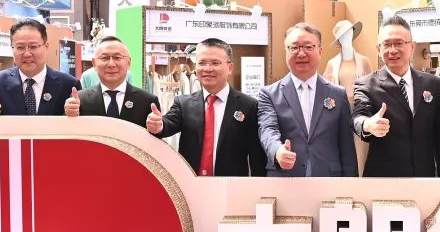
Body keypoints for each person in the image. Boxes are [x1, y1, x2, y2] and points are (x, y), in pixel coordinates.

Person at [145, 38, 266, 176]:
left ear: (230, 68)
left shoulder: (249, 105)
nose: (207, 69)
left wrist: (259, 185)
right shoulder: (183, 103)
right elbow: (168, 124)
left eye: (215, 63)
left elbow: (257, 155)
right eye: (202, 63)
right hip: (191, 183)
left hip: (230, 185)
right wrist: (158, 124)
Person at [352, 16, 440, 178]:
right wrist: (368, 125)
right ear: (378, 49)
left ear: (412, 46)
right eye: (386, 44)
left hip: (424, 176)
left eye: (399, 43)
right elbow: (358, 116)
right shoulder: (367, 84)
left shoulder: (432, 83)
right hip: (385, 179)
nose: (392, 50)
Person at [257, 23, 357, 177]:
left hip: (328, 179)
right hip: (285, 178)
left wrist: (351, 184)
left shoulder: (338, 94)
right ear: (286, 51)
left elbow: (347, 146)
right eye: (294, 47)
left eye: (308, 47)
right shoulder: (269, 94)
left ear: (320, 50)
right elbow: (267, 129)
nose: (301, 53)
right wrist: (278, 151)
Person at [0, 19, 80, 116]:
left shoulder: (69, 85)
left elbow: (83, 122)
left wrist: (74, 114)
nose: (27, 54)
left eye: (33, 47)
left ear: (46, 47)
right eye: (20, 47)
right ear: (12, 49)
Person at [63, 36, 158, 125]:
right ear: (94, 63)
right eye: (104, 58)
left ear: (128, 62)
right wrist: (70, 117)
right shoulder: (80, 101)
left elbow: (156, 135)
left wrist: (158, 127)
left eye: (117, 58)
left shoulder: (148, 101)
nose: (111, 64)